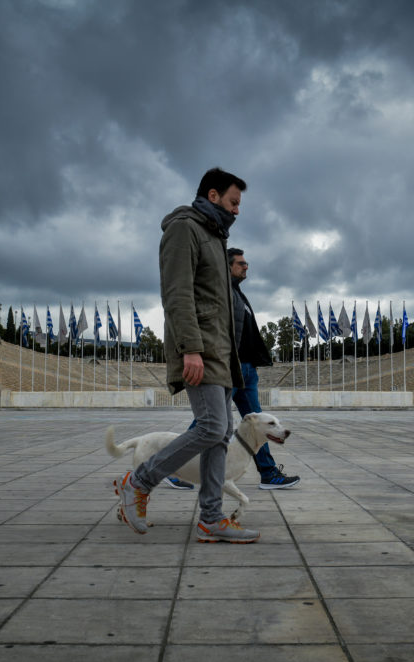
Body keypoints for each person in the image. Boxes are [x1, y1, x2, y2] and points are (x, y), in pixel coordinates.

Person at [116, 167, 260, 543]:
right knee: (213, 427)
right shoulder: (184, 229)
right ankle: (139, 481)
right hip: (201, 350)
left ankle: (211, 518)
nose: (237, 211)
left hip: (221, 353)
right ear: (213, 196)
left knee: (220, 435)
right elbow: (177, 295)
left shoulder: (214, 237)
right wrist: (190, 350)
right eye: (233, 202)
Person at [228, 247, 301, 490]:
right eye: (240, 263)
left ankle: (269, 474)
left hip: (247, 371)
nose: (246, 266)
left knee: (261, 426)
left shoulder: (239, 295)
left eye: (246, 262)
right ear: (227, 266)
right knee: (206, 424)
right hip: (231, 368)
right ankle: (173, 470)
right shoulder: (224, 293)